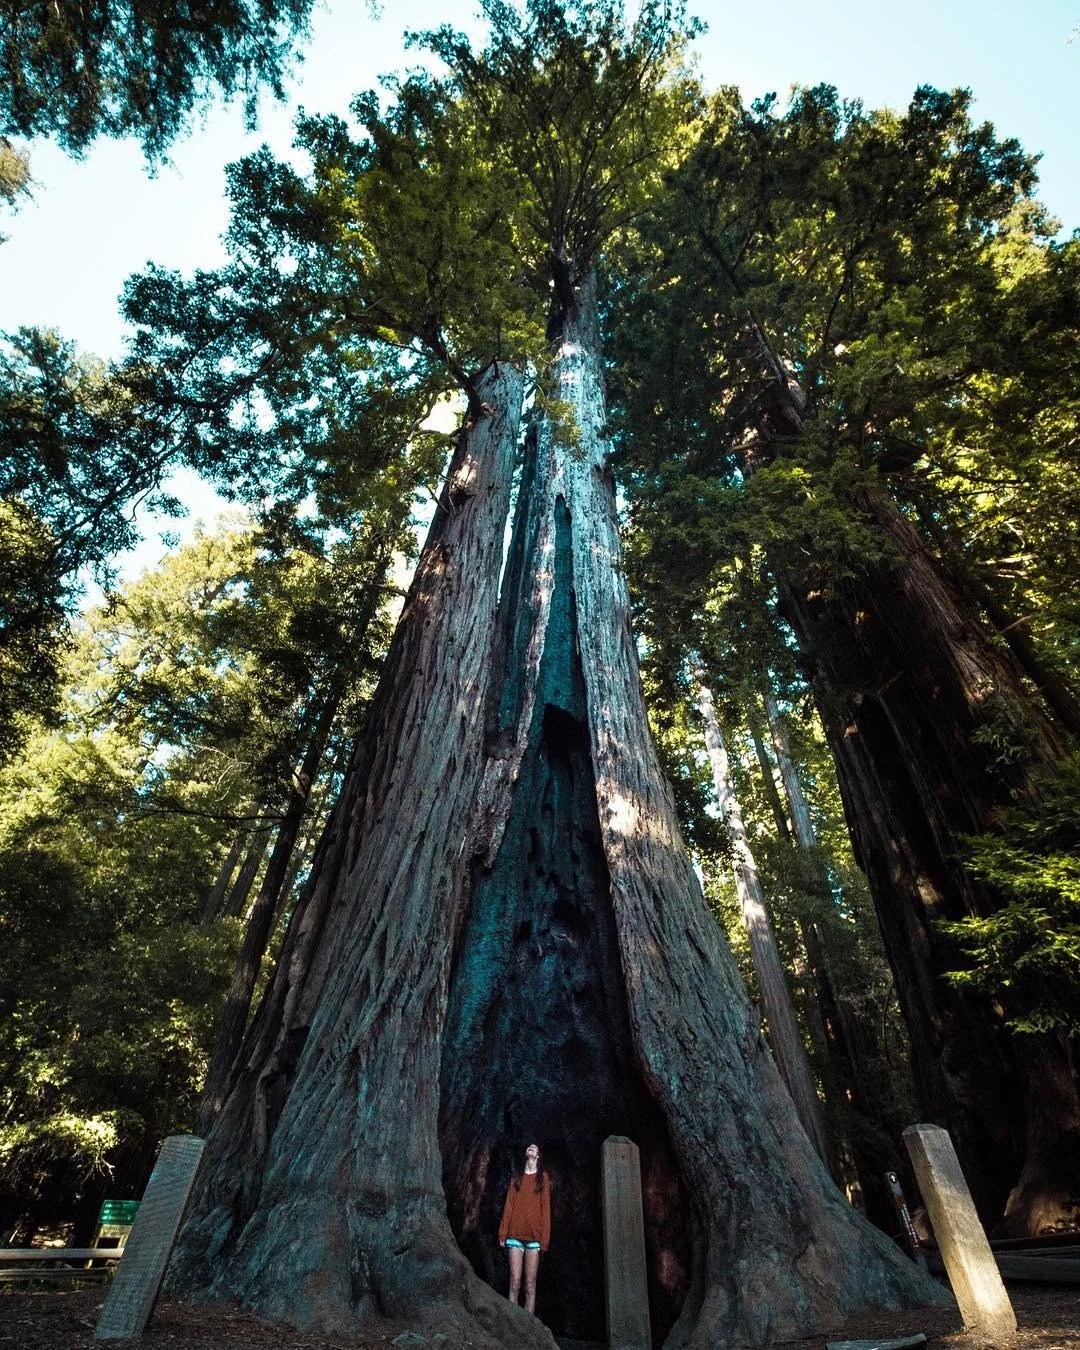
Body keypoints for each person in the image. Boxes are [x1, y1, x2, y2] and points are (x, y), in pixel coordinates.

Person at [498, 1142, 550, 1314]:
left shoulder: (543, 1178)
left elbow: (546, 1210)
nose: (531, 1148)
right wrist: (503, 1233)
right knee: (514, 1282)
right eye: (529, 1147)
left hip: (534, 1238)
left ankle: (530, 1329)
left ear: (538, 1156)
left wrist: (544, 1240)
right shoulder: (516, 1178)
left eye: (535, 1148)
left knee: (529, 1286)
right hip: (514, 1235)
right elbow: (509, 1206)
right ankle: (513, 1325)